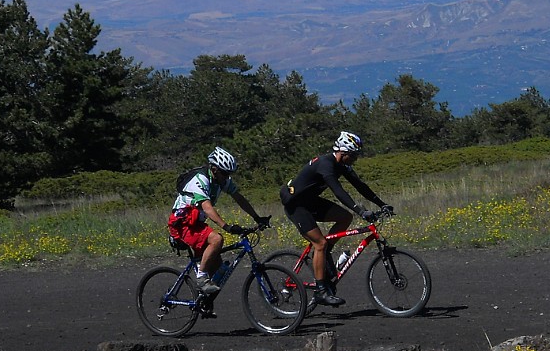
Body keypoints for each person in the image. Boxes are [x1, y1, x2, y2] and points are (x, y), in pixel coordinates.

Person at [280, 131, 392, 307]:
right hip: (297, 206)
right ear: (343, 153)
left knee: (344, 217)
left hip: (310, 202)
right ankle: (321, 291)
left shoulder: (342, 165)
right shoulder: (326, 165)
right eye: (354, 156)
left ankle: (325, 256)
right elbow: (338, 191)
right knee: (320, 244)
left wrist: (382, 204)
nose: (355, 159)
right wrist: (360, 211)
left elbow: (360, 186)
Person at [168, 146, 270, 316]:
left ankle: (204, 303)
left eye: (229, 174)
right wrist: (226, 226)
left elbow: (239, 198)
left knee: (219, 270)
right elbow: (207, 208)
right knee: (216, 239)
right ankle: (201, 277)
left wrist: (257, 217)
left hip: (195, 223)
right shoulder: (200, 180)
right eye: (225, 173)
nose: (227, 178)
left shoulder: (221, 179)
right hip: (182, 224)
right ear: (214, 169)